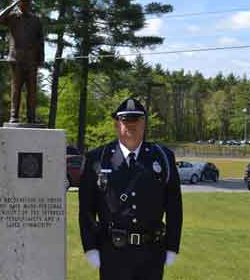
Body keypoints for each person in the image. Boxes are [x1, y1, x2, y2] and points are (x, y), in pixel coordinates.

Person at [78, 97, 183, 280]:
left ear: (144, 123)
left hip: (151, 252)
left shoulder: (162, 157)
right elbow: (87, 208)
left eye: (136, 120)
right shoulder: (97, 158)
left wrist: (172, 246)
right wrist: (91, 247)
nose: (131, 125)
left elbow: (174, 206)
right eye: (125, 120)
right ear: (116, 124)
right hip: (112, 253)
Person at [0, 0, 45, 124]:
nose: (26, 3)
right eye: (23, 1)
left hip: (31, 60)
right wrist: (12, 5)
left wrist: (41, 59)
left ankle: (31, 117)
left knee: (32, 91)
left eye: (28, 1)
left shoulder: (36, 20)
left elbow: (41, 41)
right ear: (18, 2)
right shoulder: (12, 18)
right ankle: (14, 116)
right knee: (16, 89)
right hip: (16, 59)